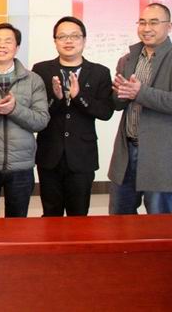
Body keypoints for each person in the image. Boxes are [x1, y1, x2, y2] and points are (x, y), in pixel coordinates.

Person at [108, 3, 172, 215]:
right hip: (126, 151)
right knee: (119, 220)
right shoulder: (127, 59)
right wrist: (119, 93)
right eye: (142, 22)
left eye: (154, 22)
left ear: (169, 26)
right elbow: (117, 104)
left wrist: (140, 93)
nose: (146, 28)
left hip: (161, 154)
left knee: (159, 223)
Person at [32, 16, 114, 216]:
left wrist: (79, 97)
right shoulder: (41, 70)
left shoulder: (99, 72)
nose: (68, 41)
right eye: (62, 36)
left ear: (84, 40)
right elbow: (36, 113)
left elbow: (106, 112)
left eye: (74, 36)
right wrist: (57, 98)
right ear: (55, 41)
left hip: (82, 155)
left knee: (79, 215)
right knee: (50, 214)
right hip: (49, 154)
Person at [0, 23, 49, 218]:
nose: (2, 45)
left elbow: (41, 120)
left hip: (21, 165)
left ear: (17, 47)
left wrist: (14, 109)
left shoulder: (33, 80)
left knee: (17, 225)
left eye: (8, 41)